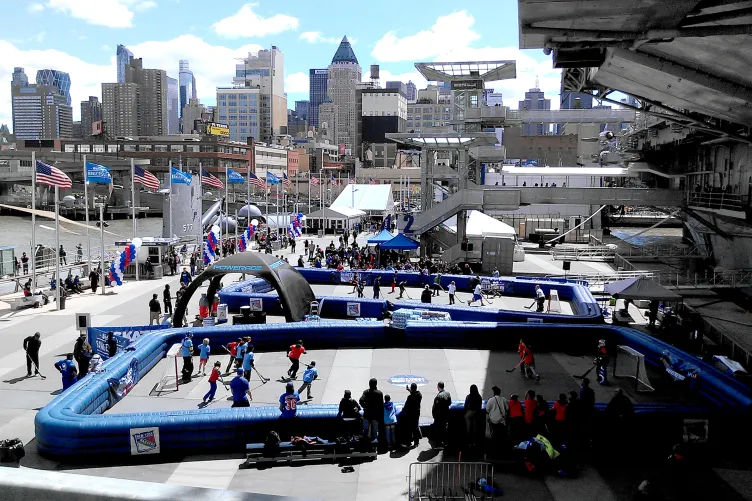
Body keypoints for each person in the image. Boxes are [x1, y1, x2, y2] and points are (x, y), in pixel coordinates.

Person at [360, 378, 385, 445]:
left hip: (367, 414)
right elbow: (381, 406)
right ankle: (374, 445)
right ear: (376, 384)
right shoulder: (379, 393)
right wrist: (381, 416)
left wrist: (365, 407)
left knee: (365, 430)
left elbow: (361, 400)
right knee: (374, 431)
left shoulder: (366, 392)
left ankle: (364, 443)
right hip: (375, 415)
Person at [398, 382, 422, 449]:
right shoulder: (419, 395)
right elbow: (414, 394)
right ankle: (416, 442)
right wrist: (410, 390)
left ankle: (408, 443)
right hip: (416, 414)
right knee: (416, 427)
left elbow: (406, 407)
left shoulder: (410, 398)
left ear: (412, 389)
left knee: (409, 429)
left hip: (410, 415)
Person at [432, 381, 452, 448]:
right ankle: (446, 443)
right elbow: (449, 403)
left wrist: (434, 415)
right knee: (445, 429)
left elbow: (435, 407)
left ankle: (439, 444)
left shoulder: (438, 396)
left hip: (440, 416)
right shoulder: (448, 394)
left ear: (438, 387)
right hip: (446, 414)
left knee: (439, 430)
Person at [464, 384, 484, 449]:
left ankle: (469, 442)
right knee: (475, 428)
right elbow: (480, 406)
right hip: (477, 413)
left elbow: (465, 406)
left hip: (470, 413)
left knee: (469, 427)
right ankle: (475, 443)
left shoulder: (469, 397)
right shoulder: (479, 397)